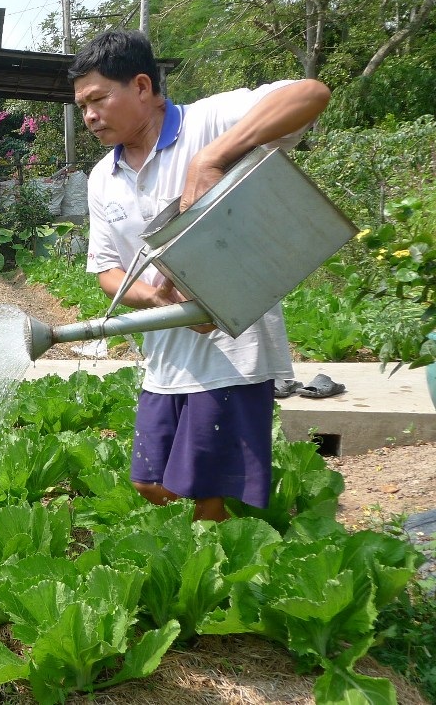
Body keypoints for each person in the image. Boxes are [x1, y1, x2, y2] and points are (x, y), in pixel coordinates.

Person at [68, 29, 331, 521]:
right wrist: (155, 300)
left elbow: (311, 94)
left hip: (232, 352)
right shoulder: (103, 177)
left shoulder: (209, 121)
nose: (89, 116)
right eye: (82, 106)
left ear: (142, 87)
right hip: (165, 358)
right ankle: (248, 542)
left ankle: (228, 573)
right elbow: (107, 268)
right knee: (148, 480)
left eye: (98, 99)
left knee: (207, 494)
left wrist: (211, 158)